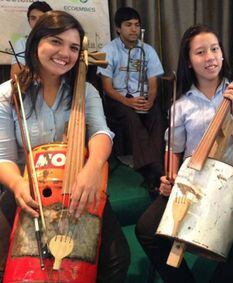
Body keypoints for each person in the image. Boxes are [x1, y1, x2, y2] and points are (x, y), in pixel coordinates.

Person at [0, 11, 130, 282]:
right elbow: (4, 158)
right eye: (56, 42)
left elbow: (101, 133)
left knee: (116, 258)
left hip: (76, 188)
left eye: (73, 47)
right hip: (28, 189)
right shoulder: (8, 95)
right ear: (37, 43)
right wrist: (16, 185)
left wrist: (93, 167)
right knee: (8, 258)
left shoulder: (85, 90)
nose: (65, 53)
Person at [135, 24, 233, 282]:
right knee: (147, 229)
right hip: (193, 181)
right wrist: (170, 177)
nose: (210, 57)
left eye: (214, 49)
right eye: (200, 52)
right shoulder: (182, 104)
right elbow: (172, 149)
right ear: (188, 61)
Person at [97, 7, 164, 194]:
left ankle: (156, 166)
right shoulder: (108, 51)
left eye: (136, 25)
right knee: (131, 118)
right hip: (117, 100)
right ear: (118, 28)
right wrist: (127, 102)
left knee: (157, 116)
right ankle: (152, 172)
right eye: (128, 25)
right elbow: (107, 88)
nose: (134, 29)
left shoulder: (148, 51)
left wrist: (150, 101)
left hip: (141, 97)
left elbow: (153, 82)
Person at [10, 1, 52, 79]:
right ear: (29, 21)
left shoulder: (58, 42)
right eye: (33, 18)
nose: (37, 22)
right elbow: (15, 75)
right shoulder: (22, 43)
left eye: (41, 18)